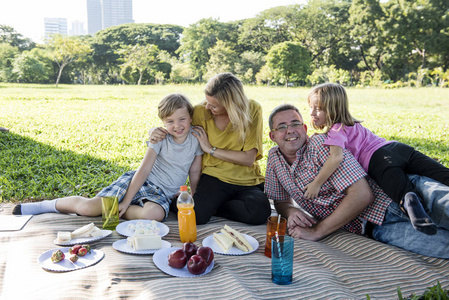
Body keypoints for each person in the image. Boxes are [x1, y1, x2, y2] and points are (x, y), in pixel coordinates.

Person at [265, 104, 449, 258]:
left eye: (295, 123)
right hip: (376, 228)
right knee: (443, 247)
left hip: (399, 196)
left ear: (304, 129)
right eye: (281, 126)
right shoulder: (274, 159)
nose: (290, 130)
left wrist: (317, 231)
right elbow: (280, 201)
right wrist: (290, 210)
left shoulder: (321, 146)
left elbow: (362, 195)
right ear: (272, 136)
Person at [13, 94, 203, 222]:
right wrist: (127, 199)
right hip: (139, 182)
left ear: (190, 117)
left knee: (153, 215)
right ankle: (43, 206)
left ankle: (119, 210)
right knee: (88, 208)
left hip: (161, 194)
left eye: (182, 119)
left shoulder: (196, 139)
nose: (177, 125)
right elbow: (143, 170)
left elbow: (194, 171)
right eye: (170, 121)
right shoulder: (160, 137)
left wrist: (193, 196)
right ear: (162, 122)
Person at [305, 83, 449, 235]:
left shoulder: (336, 131)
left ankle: (413, 207)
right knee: (441, 174)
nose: (312, 113)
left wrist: (317, 183)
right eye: (311, 107)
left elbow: (336, 158)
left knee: (401, 190)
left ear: (334, 109)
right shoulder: (353, 124)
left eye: (318, 109)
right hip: (398, 148)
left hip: (378, 160)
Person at [149, 73, 271, 225]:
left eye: (213, 105)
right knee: (196, 215)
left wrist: (211, 149)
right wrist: (156, 131)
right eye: (207, 101)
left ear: (230, 104)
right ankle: (179, 200)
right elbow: (178, 127)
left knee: (259, 213)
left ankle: (215, 206)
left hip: (247, 180)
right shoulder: (201, 112)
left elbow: (248, 158)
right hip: (214, 177)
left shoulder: (252, 109)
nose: (207, 107)